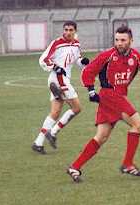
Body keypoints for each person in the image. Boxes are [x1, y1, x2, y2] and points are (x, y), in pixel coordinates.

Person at [67, 26, 140, 182]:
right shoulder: (107, 56)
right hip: (110, 95)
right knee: (138, 124)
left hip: (117, 97)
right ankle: (128, 164)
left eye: (123, 40)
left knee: (101, 136)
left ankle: (74, 167)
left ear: (131, 40)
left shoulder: (135, 56)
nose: (119, 43)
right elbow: (88, 71)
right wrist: (91, 90)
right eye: (117, 40)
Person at [32, 21, 89, 154]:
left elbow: (77, 60)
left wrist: (83, 61)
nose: (68, 32)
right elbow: (43, 59)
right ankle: (53, 132)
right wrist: (55, 67)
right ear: (63, 30)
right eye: (66, 30)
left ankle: (38, 143)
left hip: (63, 79)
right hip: (58, 78)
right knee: (77, 108)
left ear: (75, 31)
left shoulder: (76, 44)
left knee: (55, 112)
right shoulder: (56, 43)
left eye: (70, 30)